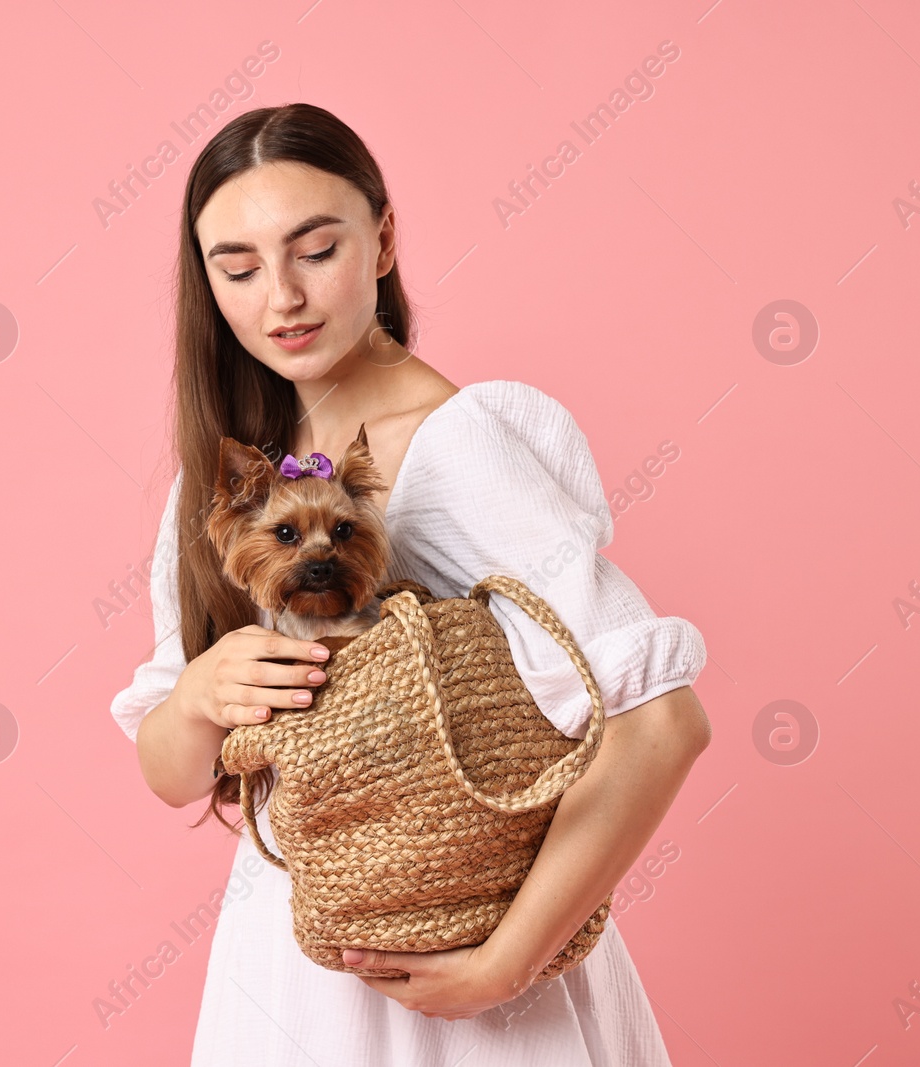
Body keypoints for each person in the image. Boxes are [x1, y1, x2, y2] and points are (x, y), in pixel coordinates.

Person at [109, 102, 712, 1065]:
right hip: (287, 967)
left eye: (315, 249)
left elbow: (662, 722)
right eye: (238, 267)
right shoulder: (220, 480)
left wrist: (506, 964)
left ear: (383, 240)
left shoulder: (456, 445)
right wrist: (196, 696)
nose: (281, 299)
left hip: (466, 978)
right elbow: (173, 772)